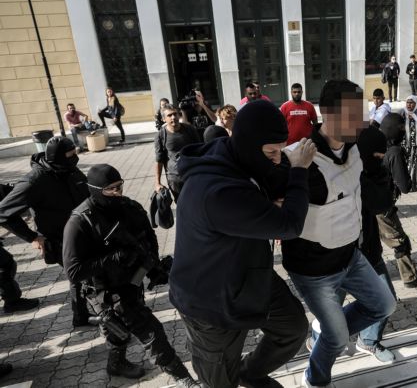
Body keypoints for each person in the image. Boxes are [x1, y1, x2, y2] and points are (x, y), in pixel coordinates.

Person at [169, 101, 317, 388]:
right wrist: (299, 169)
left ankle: (250, 374)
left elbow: (269, 178)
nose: (278, 159)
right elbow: (289, 225)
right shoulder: (216, 190)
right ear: (250, 146)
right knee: (220, 380)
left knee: (292, 328)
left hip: (248, 273)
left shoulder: (234, 153)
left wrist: (265, 199)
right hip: (209, 300)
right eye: (271, 152)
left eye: (281, 150)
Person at [280, 80, 396, 388]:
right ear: (326, 112)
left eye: (361, 113)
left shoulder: (356, 148)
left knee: (384, 305)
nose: (361, 122)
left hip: (350, 256)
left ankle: (327, 329)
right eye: (351, 114)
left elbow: (370, 197)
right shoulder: (297, 158)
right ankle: (315, 379)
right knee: (338, 337)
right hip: (313, 270)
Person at [62, 164, 199, 386]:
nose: (117, 192)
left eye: (119, 186)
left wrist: (151, 265)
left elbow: (149, 237)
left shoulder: (129, 207)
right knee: (150, 331)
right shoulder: (80, 221)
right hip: (105, 290)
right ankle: (183, 377)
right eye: (110, 189)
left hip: (131, 280)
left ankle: (116, 364)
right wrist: (115, 257)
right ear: (95, 190)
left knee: (119, 329)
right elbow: (73, 271)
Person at [307, 126, 398, 365]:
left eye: (381, 156)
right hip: (336, 258)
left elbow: (382, 204)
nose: (379, 160)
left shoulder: (371, 173)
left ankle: (368, 340)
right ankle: (317, 341)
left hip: (369, 253)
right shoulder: (340, 173)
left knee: (386, 299)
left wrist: (377, 172)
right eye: (375, 156)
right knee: (331, 309)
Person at [0, 137, 88, 324]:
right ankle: (87, 317)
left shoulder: (69, 169)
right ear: (57, 158)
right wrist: (32, 237)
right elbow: (3, 213)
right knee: (82, 275)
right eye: (70, 155)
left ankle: (82, 316)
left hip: (83, 232)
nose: (75, 158)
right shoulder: (34, 181)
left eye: (75, 154)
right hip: (58, 239)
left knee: (84, 276)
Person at [379, 113, 417, 288]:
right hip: (382, 206)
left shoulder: (377, 145)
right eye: (401, 128)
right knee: (400, 242)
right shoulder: (394, 152)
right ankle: (410, 277)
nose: (404, 131)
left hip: (367, 204)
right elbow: (405, 186)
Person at [154, 106, 202, 202]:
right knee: (181, 204)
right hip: (175, 178)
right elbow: (159, 160)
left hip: (192, 174)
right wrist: (157, 183)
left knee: (197, 202)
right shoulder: (161, 135)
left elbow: (200, 151)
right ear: (164, 119)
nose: (173, 117)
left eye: (175, 114)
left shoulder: (190, 129)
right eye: (169, 115)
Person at [401, 95, 417, 190]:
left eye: (411, 103)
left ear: (416, 104)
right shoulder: (402, 113)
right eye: (408, 102)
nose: (409, 105)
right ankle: (407, 185)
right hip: (405, 145)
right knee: (407, 165)